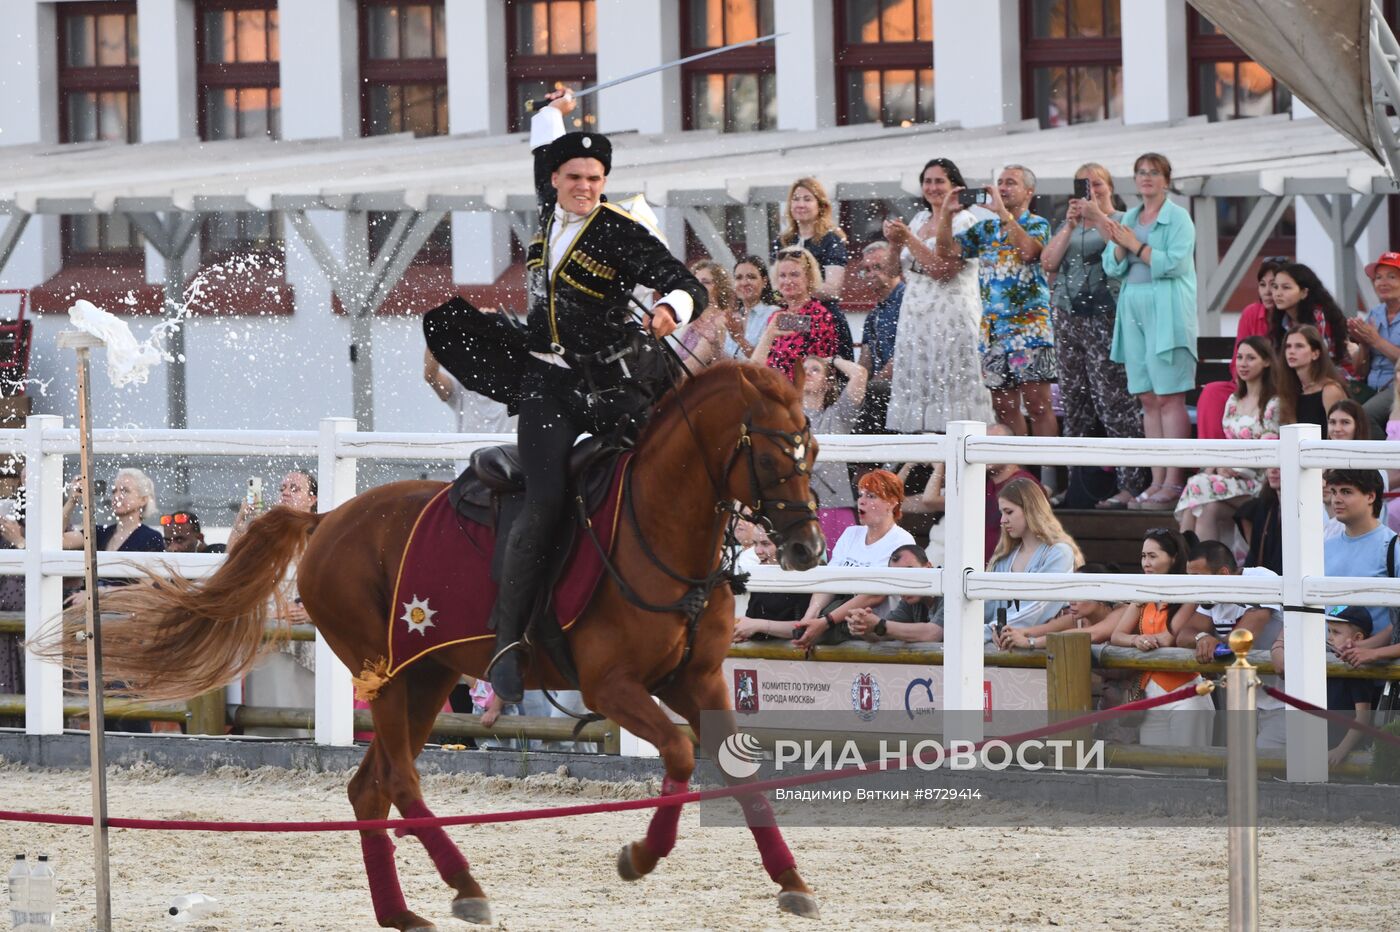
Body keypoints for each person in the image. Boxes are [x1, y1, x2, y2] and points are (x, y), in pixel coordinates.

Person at [422, 89, 707, 702]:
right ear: (553, 179)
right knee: (545, 498)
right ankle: (508, 641)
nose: (585, 186)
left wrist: (666, 310)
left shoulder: (619, 232)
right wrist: (554, 109)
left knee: (667, 475)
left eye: (596, 178)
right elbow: (541, 139)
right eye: (575, 176)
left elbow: (685, 282)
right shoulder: (548, 207)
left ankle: (679, 605)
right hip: (548, 384)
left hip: (609, 385)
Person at [1042, 163, 1148, 508]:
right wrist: (1072, 223)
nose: (1091, 190)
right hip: (1068, 315)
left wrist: (1098, 214)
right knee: (1075, 401)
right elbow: (1049, 262)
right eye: (1083, 185)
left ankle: (1129, 483)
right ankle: (1077, 484)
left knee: (1113, 399)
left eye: (1097, 184)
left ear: (1110, 186)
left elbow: (1120, 249)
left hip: (1106, 313)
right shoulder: (1069, 222)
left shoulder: (1121, 218)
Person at [1101, 152, 1197, 511]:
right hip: (1134, 306)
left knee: (1170, 396)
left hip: (1167, 308)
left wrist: (1135, 246)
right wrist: (1125, 247)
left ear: (1166, 180)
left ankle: (1174, 481)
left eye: (1153, 173)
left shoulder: (1179, 218)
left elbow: (1175, 263)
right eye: (1141, 172)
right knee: (1147, 397)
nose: (1146, 178)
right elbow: (1112, 263)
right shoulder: (1128, 216)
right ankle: (1156, 479)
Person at [936, 164, 1057, 437]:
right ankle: (1018, 473)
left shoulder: (1038, 223)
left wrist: (1003, 213)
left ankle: (1048, 475)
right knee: (1004, 408)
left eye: (1010, 183)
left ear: (1029, 191)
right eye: (1000, 182)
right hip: (994, 332)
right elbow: (945, 251)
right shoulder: (985, 229)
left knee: (1038, 405)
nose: (1002, 188)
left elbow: (1029, 252)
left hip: (1030, 330)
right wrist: (946, 213)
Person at [881, 158, 995, 434]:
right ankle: (922, 459)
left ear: (955, 186)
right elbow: (890, 271)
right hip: (917, 315)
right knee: (922, 381)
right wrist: (895, 245)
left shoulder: (965, 221)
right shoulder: (919, 219)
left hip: (951, 314)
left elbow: (943, 270)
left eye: (939, 181)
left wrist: (908, 238)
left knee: (953, 381)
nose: (932, 187)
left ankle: (956, 447)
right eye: (927, 181)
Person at [1109, 527, 1214, 747]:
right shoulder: (1142, 592)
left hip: (1187, 692)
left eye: (1152, 556)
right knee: (1155, 767)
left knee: (1190, 768)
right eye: (1143, 556)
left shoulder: (1189, 593)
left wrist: (1142, 639)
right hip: (1149, 692)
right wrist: (1135, 640)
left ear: (1173, 558)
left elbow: (1168, 638)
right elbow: (1117, 635)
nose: (1145, 562)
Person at [792, 470, 915, 651]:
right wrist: (811, 616)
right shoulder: (851, 533)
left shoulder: (902, 541)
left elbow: (875, 594)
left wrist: (825, 622)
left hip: (878, 636)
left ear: (892, 502)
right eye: (860, 495)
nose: (861, 501)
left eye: (871, 496)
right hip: (841, 627)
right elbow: (830, 581)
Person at [1180, 540, 1286, 749]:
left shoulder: (1260, 578)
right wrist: (1203, 637)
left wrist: (1214, 642)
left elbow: (1243, 637)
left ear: (1224, 574)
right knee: (1240, 769)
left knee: (1262, 767)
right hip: (1245, 703)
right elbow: (1184, 635)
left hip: (1284, 702)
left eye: (1198, 578)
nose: (1194, 586)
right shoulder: (1211, 595)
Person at [1174, 336, 1279, 543]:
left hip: (1258, 481)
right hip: (1228, 477)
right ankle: (1198, 567)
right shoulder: (1233, 401)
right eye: (1239, 357)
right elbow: (1226, 443)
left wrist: (1233, 468)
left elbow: (1267, 452)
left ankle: (1179, 557)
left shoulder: (1274, 403)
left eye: (1251, 358)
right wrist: (1220, 466)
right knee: (1206, 509)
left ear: (1266, 362)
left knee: (1196, 484)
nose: (1243, 363)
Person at [1195, 258, 1288, 441]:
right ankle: (1212, 459)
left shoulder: (1291, 317)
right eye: (1262, 285)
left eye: (1275, 285)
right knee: (1212, 392)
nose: (1268, 291)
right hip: (1246, 385)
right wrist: (1243, 384)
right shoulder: (1251, 313)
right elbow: (1236, 361)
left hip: (1278, 387)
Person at [982, 477, 1083, 642]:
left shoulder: (1059, 553)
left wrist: (981, 632)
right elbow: (986, 606)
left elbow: (1036, 609)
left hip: (1044, 651)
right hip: (998, 648)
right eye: (1001, 513)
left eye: (1009, 512)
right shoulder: (1004, 557)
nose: (1002, 520)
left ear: (1030, 509)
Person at [772, 177, 853, 354]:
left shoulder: (831, 239)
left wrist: (799, 290)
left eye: (807, 199)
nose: (800, 204)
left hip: (823, 317)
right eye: (796, 199)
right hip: (791, 316)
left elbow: (833, 289)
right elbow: (775, 288)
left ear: (821, 205)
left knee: (820, 373)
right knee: (787, 367)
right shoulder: (783, 241)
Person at [799, 355, 868, 546]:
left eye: (815, 370)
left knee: (840, 570)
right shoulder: (786, 417)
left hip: (835, 506)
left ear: (828, 383)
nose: (807, 373)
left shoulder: (838, 415)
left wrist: (833, 360)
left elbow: (860, 374)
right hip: (797, 509)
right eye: (804, 369)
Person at [1322, 469, 1395, 647]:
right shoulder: (1324, 547)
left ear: (1370, 497)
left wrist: (1365, 648)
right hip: (1324, 662)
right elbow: (1328, 608)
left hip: (1377, 669)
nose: (1336, 499)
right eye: (1333, 492)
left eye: (1346, 492)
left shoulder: (1393, 546)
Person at [751, 249, 842, 380]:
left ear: (808, 278)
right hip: (772, 391)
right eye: (782, 275)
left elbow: (819, 369)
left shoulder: (819, 316)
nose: (787, 281)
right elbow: (760, 363)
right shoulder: (776, 316)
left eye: (794, 275)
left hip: (800, 393)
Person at [994, 563, 1123, 650]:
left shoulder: (1121, 612)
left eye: (1079, 593)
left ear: (1100, 595)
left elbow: (1092, 634)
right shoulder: (1076, 620)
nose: (1071, 601)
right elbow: (1037, 630)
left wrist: (1030, 643)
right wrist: (1010, 633)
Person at [732, 525, 821, 641]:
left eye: (766, 544)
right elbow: (752, 622)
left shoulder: (808, 572)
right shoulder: (761, 571)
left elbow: (806, 626)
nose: (757, 551)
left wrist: (757, 625)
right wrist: (743, 630)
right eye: (755, 543)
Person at [845, 545, 943, 643]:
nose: (904, 583)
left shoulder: (951, 588)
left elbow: (933, 633)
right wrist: (862, 627)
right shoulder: (911, 599)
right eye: (897, 578)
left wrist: (879, 625)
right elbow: (881, 635)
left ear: (929, 567)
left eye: (910, 572)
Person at [1348, 251, 1400, 437]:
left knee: (1365, 416)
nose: (1383, 282)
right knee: (1338, 411)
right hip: (1371, 386)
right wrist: (1363, 344)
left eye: (1391, 277)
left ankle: (1383, 465)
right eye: (1378, 278)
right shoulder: (1375, 314)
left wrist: (1376, 341)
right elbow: (1360, 371)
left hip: (1396, 385)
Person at [1269, 262, 1350, 373]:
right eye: (1275, 287)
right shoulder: (1282, 319)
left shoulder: (1319, 316)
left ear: (1304, 292)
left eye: (1286, 287)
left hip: (1336, 377)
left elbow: (1323, 361)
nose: (1278, 293)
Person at [61, 468, 163, 554]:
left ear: (143, 500)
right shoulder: (98, 534)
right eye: (114, 491)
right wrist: (72, 500)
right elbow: (59, 540)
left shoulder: (151, 538)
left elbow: (148, 577)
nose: (116, 496)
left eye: (125, 491)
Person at [1277, 324, 1347, 436]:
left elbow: (1338, 435)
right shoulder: (1290, 390)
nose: (1291, 351)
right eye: (1288, 346)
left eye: (1299, 346)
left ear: (1315, 353)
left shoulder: (1330, 390)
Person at [228, 469, 319, 552]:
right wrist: (241, 520)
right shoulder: (267, 528)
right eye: (282, 489)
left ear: (311, 500)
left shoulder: (319, 533)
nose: (285, 493)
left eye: (294, 489)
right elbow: (232, 559)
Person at [679, 258, 739, 371]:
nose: (699, 287)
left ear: (719, 287)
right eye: (695, 282)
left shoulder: (721, 321)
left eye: (705, 282)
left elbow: (692, 366)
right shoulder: (693, 319)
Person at [726, 255, 781, 358]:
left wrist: (739, 339)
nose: (744, 283)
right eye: (738, 278)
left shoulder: (774, 314)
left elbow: (766, 360)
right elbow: (726, 361)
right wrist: (714, 343)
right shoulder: (733, 318)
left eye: (751, 277)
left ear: (764, 282)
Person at [1234, 467, 1282, 574]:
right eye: (1270, 465)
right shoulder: (1265, 506)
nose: (1273, 470)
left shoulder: (1308, 508)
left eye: (1280, 467)